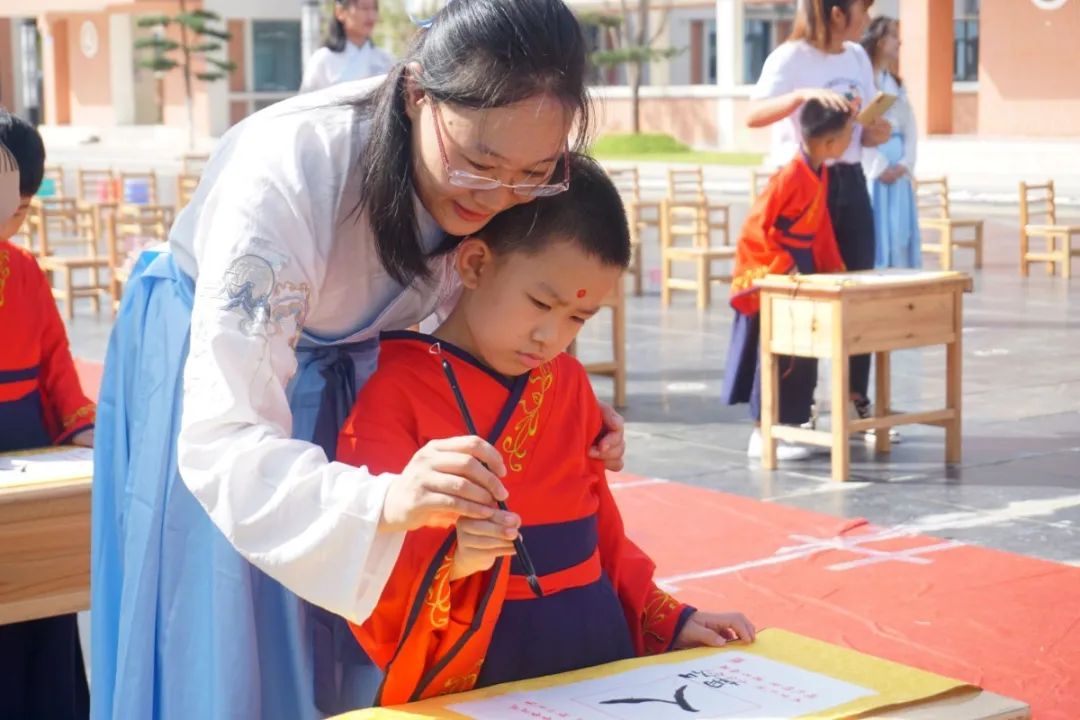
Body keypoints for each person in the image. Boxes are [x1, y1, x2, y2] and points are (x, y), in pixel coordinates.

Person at [90, 2, 627, 719]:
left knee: (347, 643)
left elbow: (496, 305)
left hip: (363, 372)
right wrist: (380, 502)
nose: (499, 198)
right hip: (224, 361)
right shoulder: (289, 170)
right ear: (416, 93)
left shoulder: (512, 173)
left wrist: (562, 405)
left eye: (533, 173)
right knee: (232, 634)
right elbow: (225, 438)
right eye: (477, 164)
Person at [338, 155, 756, 705]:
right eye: (540, 303)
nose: (550, 336)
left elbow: (601, 527)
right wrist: (457, 560)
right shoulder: (396, 392)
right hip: (485, 650)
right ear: (476, 264)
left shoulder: (568, 382)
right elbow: (367, 550)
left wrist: (666, 617)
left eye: (577, 318)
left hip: (594, 631)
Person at [747, 0, 891, 427]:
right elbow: (753, 115)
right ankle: (791, 412)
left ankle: (854, 398)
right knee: (803, 295)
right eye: (862, 9)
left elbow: (862, 128)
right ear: (836, 13)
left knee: (859, 286)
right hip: (804, 186)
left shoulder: (857, 56)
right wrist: (800, 96)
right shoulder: (790, 58)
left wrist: (875, 133)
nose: (867, 19)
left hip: (850, 180)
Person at [0, 112, 94, 720]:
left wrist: (84, 430)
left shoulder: (27, 270)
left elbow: (57, 365)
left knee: (43, 611)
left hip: (32, 452)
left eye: (21, 210)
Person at [722, 100, 850, 461]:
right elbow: (755, 227)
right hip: (780, 270)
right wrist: (782, 266)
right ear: (828, 142)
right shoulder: (790, 175)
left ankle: (789, 428)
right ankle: (762, 434)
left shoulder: (819, 172)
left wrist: (832, 268)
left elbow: (819, 229)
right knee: (775, 352)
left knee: (801, 350)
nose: (851, 139)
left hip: (802, 267)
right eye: (848, 134)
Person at [861, 16, 921, 269]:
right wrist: (879, 167)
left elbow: (910, 126)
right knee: (877, 232)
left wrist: (905, 163)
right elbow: (861, 126)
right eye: (894, 36)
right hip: (876, 169)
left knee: (899, 234)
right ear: (879, 40)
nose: (899, 42)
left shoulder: (895, 82)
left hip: (898, 170)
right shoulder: (863, 79)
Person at [301, 0, 394, 93]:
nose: (371, 15)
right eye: (364, 8)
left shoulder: (385, 60)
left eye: (374, 8)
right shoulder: (324, 59)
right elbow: (305, 99)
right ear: (340, 12)